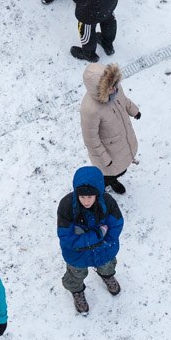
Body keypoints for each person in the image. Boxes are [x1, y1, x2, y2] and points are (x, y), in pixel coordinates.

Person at [57, 166, 123, 314]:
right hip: (77, 254)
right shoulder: (67, 206)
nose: (86, 201)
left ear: (98, 194)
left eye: (90, 197)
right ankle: (77, 290)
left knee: (107, 266)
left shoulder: (108, 203)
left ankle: (107, 276)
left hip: (104, 250)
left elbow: (116, 225)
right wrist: (99, 235)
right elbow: (67, 238)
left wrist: (101, 241)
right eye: (82, 197)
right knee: (75, 274)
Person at [79, 62, 140, 194]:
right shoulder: (90, 110)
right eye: (110, 87)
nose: (114, 89)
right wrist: (104, 160)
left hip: (122, 142)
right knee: (109, 173)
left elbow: (124, 101)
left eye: (114, 84)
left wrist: (134, 111)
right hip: (109, 153)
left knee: (122, 168)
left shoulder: (116, 89)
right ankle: (106, 184)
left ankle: (112, 180)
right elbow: (91, 140)